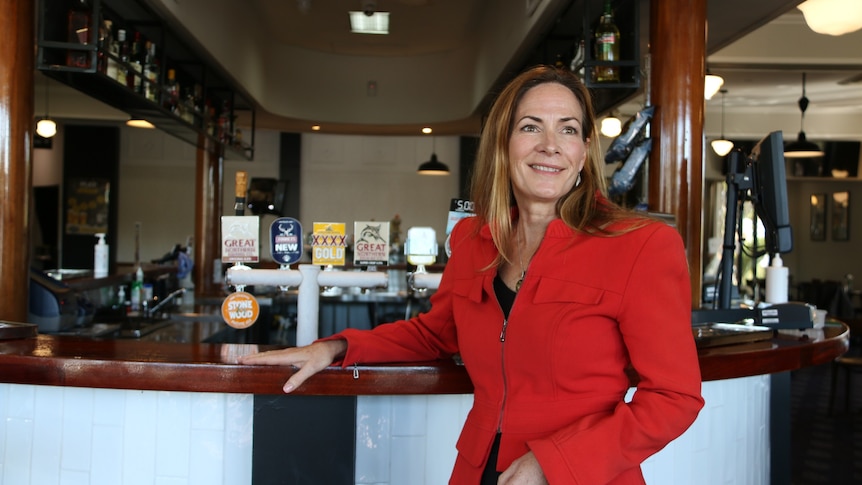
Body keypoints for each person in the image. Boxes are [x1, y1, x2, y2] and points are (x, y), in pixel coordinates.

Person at [239, 65, 704, 484]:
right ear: (504, 145)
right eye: (530, 127)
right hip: (479, 470)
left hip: (582, 475)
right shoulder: (474, 241)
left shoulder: (639, 245)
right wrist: (337, 347)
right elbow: (435, 334)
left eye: (568, 130)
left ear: (584, 151)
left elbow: (673, 397)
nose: (550, 145)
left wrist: (552, 463)